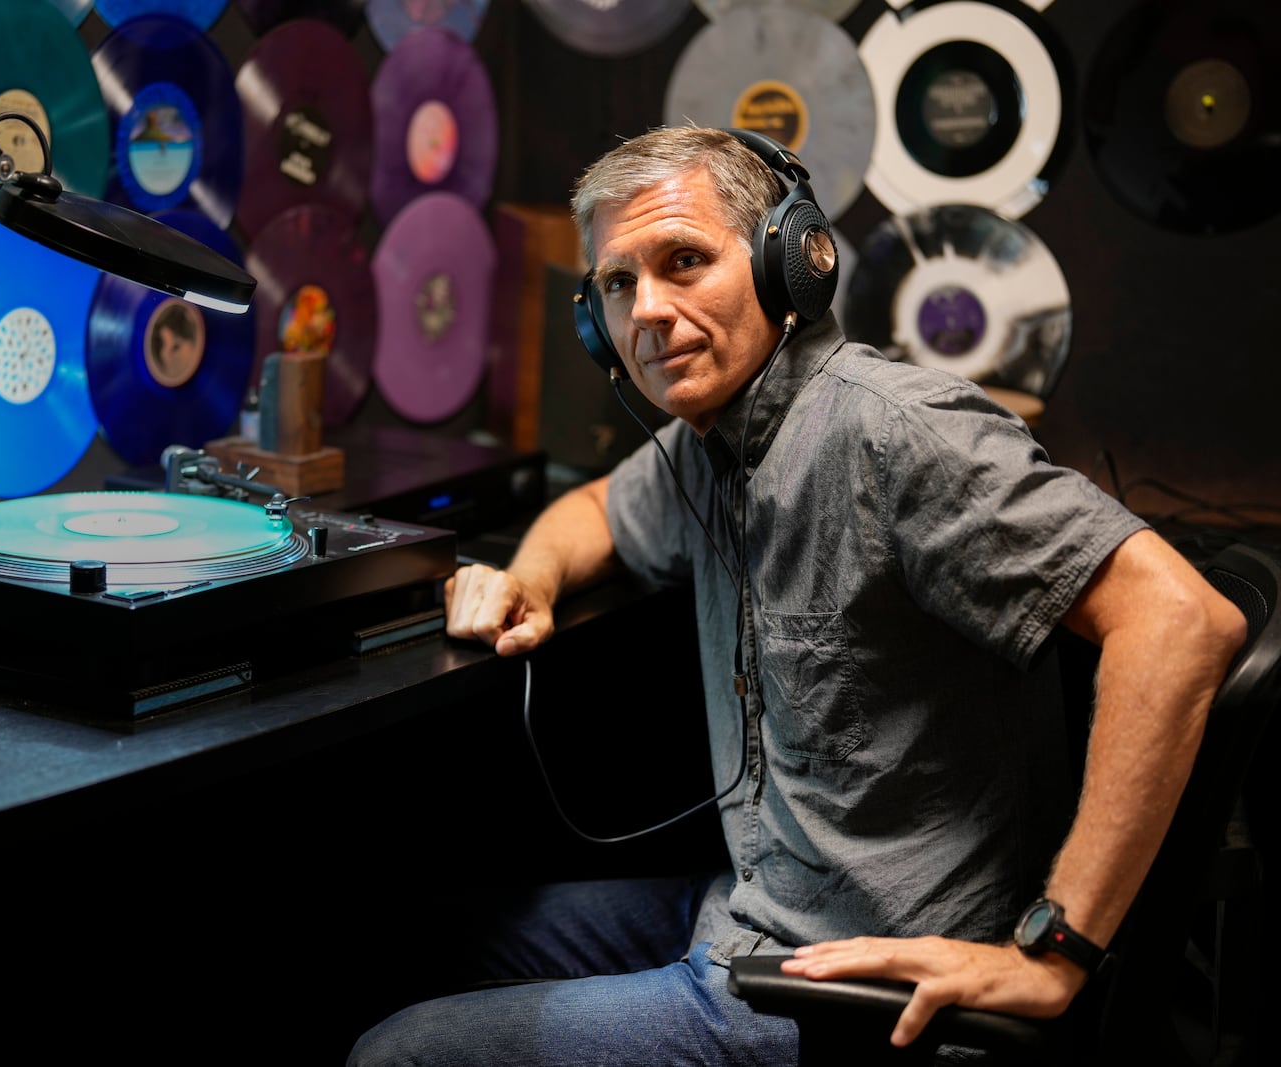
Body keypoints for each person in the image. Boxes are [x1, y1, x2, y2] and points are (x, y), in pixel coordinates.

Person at [346, 126, 1247, 1065]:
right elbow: (598, 508)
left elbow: (1182, 619)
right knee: (407, 936)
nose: (648, 310)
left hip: (867, 992)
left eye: (684, 261)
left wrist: (1056, 951)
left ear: (791, 264)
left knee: (398, 1053)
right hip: (748, 917)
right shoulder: (710, 438)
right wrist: (529, 575)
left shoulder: (897, 435)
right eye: (617, 284)